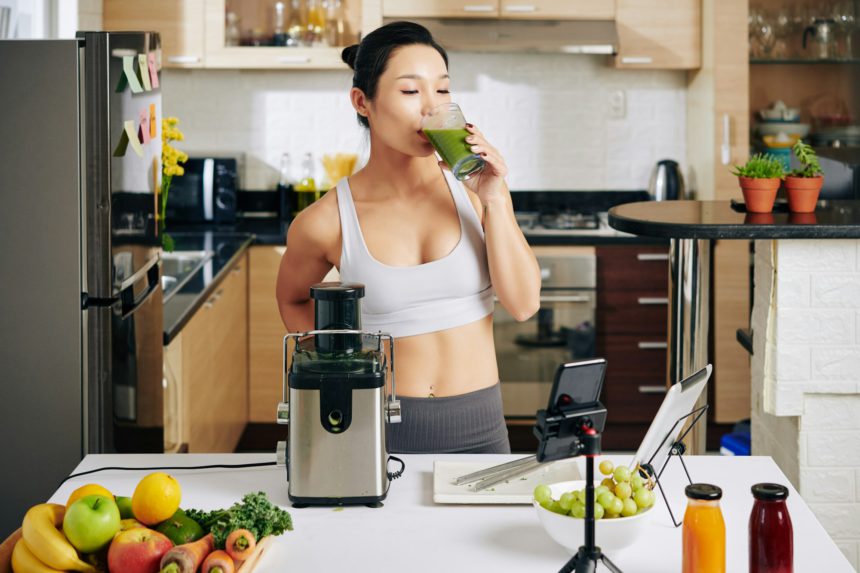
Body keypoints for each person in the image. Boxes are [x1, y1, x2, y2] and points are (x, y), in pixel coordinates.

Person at [275, 21, 541, 454]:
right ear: (363, 102)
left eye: (442, 90)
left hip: (481, 430)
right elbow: (292, 299)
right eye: (410, 91)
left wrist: (496, 199)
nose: (431, 109)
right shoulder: (327, 220)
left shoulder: (476, 194)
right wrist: (343, 366)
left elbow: (524, 304)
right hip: (375, 430)